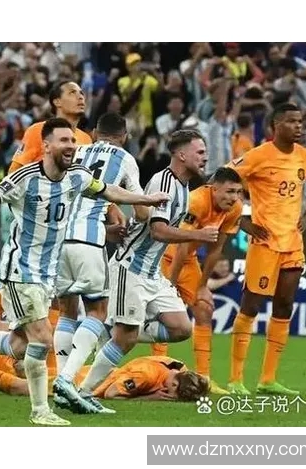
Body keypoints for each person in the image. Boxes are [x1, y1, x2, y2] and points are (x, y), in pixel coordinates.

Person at [0, 117, 169, 425]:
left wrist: (147, 198)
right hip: (21, 270)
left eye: (73, 140)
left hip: (48, 271)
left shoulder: (77, 175)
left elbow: (110, 191)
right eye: (64, 140)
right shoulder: (26, 176)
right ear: (46, 145)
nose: (71, 145)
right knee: (44, 338)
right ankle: (43, 408)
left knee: (21, 344)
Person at [76, 129, 219, 413]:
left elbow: (148, 224)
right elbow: (158, 231)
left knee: (181, 328)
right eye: (200, 152)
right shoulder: (164, 182)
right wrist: (199, 235)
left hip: (153, 274)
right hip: (131, 269)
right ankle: (83, 392)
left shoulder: (183, 188)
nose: (205, 157)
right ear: (182, 155)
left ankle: (114, 327)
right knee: (126, 340)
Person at [52, 112, 150, 414]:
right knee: (97, 311)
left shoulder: (77, 150)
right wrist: (129, 221)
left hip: (59, 240)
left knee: (67, 310)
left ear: (94, 133)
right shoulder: (124, 159)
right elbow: (142, 211)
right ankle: (67, 379)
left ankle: (61, 385)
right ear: (125, 137)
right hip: (89, 240)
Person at [227, 103, 306, 396]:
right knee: (251, 306)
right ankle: (235, 379)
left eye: (301, 121)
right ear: (275, 125)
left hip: (292, 243)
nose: (299, 126)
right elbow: (220, 180)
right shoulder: (258, 155)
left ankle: (268, 379)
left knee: (284, 305)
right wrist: (241, 219)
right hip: (264, 243)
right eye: (292, 121)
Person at [151, 167, 244, 395]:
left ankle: (204, 379)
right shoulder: (196, 201)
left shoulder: (235, 209)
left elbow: (216, 248)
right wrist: (170, 285)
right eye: (229, 191)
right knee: (162, 314)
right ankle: (159, 373)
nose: (234, 197)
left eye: (238, 192)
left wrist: (202, 286)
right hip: (162, 257)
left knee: (204, 308)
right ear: (214, 188)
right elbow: (182, 244)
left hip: (188, 260)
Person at [0, 351, 209, 403]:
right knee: (21, 386)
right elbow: (113, 394)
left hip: (88, 372)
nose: (167, 394)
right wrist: (151, 398)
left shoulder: (175, 367)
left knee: (23, 369)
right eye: (171, 391)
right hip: (82, 384)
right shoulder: (147, 376)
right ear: (175, 381)